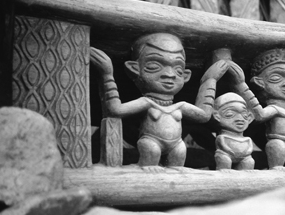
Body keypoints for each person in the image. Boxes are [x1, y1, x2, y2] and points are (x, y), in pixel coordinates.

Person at [90, 33, 229, 170]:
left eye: (178, 69)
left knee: (180, 153)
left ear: (186, 76)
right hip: (150, 144)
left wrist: (210, 80)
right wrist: (107, 74)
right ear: (134, 69)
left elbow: (204, 115)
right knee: (151, 149)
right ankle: (150, 167)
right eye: (154, 66)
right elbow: (115, 110)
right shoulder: (146, 103)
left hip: (176, 145)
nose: (169, 74)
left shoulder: (180, 106)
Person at [213, 92, 255, 170]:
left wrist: (246, 153)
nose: (240, 118)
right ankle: (225, 170)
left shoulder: (247, 139)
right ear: (217, 116)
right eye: (230, 114)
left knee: (249, 161)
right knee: (223, 158)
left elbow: (249, 148)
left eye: (244, 115)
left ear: (249, 118)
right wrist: (230, 151)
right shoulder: (222, 137)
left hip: (244, 157)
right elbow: (223, 146)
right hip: (227, 155)